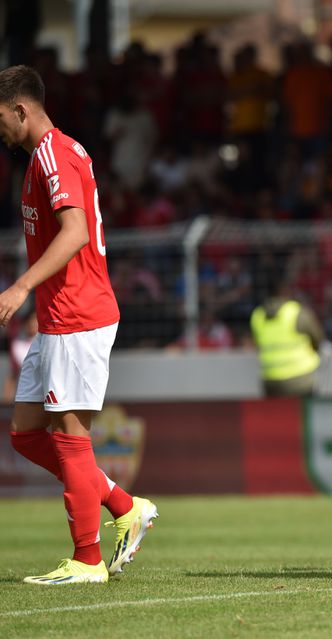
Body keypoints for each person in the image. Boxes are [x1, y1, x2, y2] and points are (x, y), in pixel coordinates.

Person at [0, 65, 157, 584]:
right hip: (56, 316)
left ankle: (87, 560)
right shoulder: (44, 158)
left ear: (21, 110)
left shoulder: (51, 155)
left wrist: (21, 286)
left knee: (69, 435)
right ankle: (123, 504)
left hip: (77, 312)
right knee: (26, 434)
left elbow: (76, 232)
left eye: (0, 117)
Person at [249, 277, 323, 397]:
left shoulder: (257, 316)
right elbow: (318, 338)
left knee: (277, 415)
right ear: (284, 290)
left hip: (270, 382)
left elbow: (258, 344)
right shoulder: (296, 312)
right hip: (301, 380)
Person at [3, 309, 37, 403]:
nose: (32, 324)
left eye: (36, 320)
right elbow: (13, 375)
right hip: (24, 396)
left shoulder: (47, 344)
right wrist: (7, 403)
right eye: (30, 320)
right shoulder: (17, 345)